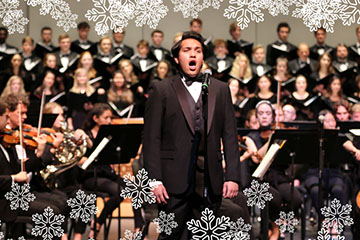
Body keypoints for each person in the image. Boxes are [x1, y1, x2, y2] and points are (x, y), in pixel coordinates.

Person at [143, 31, 240, 239]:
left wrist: (232, 176)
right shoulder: (161, 90)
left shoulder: (221, 90)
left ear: (203, 58)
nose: (193, 55)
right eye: (187, 51)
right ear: (177, 59)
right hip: (172, 180)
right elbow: (151, 139)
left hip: (209, 178)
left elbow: (230, 135)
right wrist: (154, 180)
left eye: (198, 51)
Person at [243, 100, 303, 240]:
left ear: (273, 116)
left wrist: (279, 136)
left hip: (279, 177)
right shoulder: (250, 137)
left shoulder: (280, 133)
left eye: (268, 113)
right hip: (259, 179)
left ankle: (275, 225)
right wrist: (272, 138)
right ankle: (274, 230)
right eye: (261, 113)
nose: (264, 116)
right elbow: (257, 158)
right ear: (256, 117)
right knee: (273, 198)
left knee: (295, 198)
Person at [81, 103, 126, 239]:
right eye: (106, 118)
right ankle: (98, 223)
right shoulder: (85, 134)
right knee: (120, 191)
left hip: (107, 174)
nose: (109, 121)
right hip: (91, 176)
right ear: (95, 118)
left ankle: (138, 229)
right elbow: (81, 159)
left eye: (110, 118)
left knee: (135, 189)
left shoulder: (110, 136)